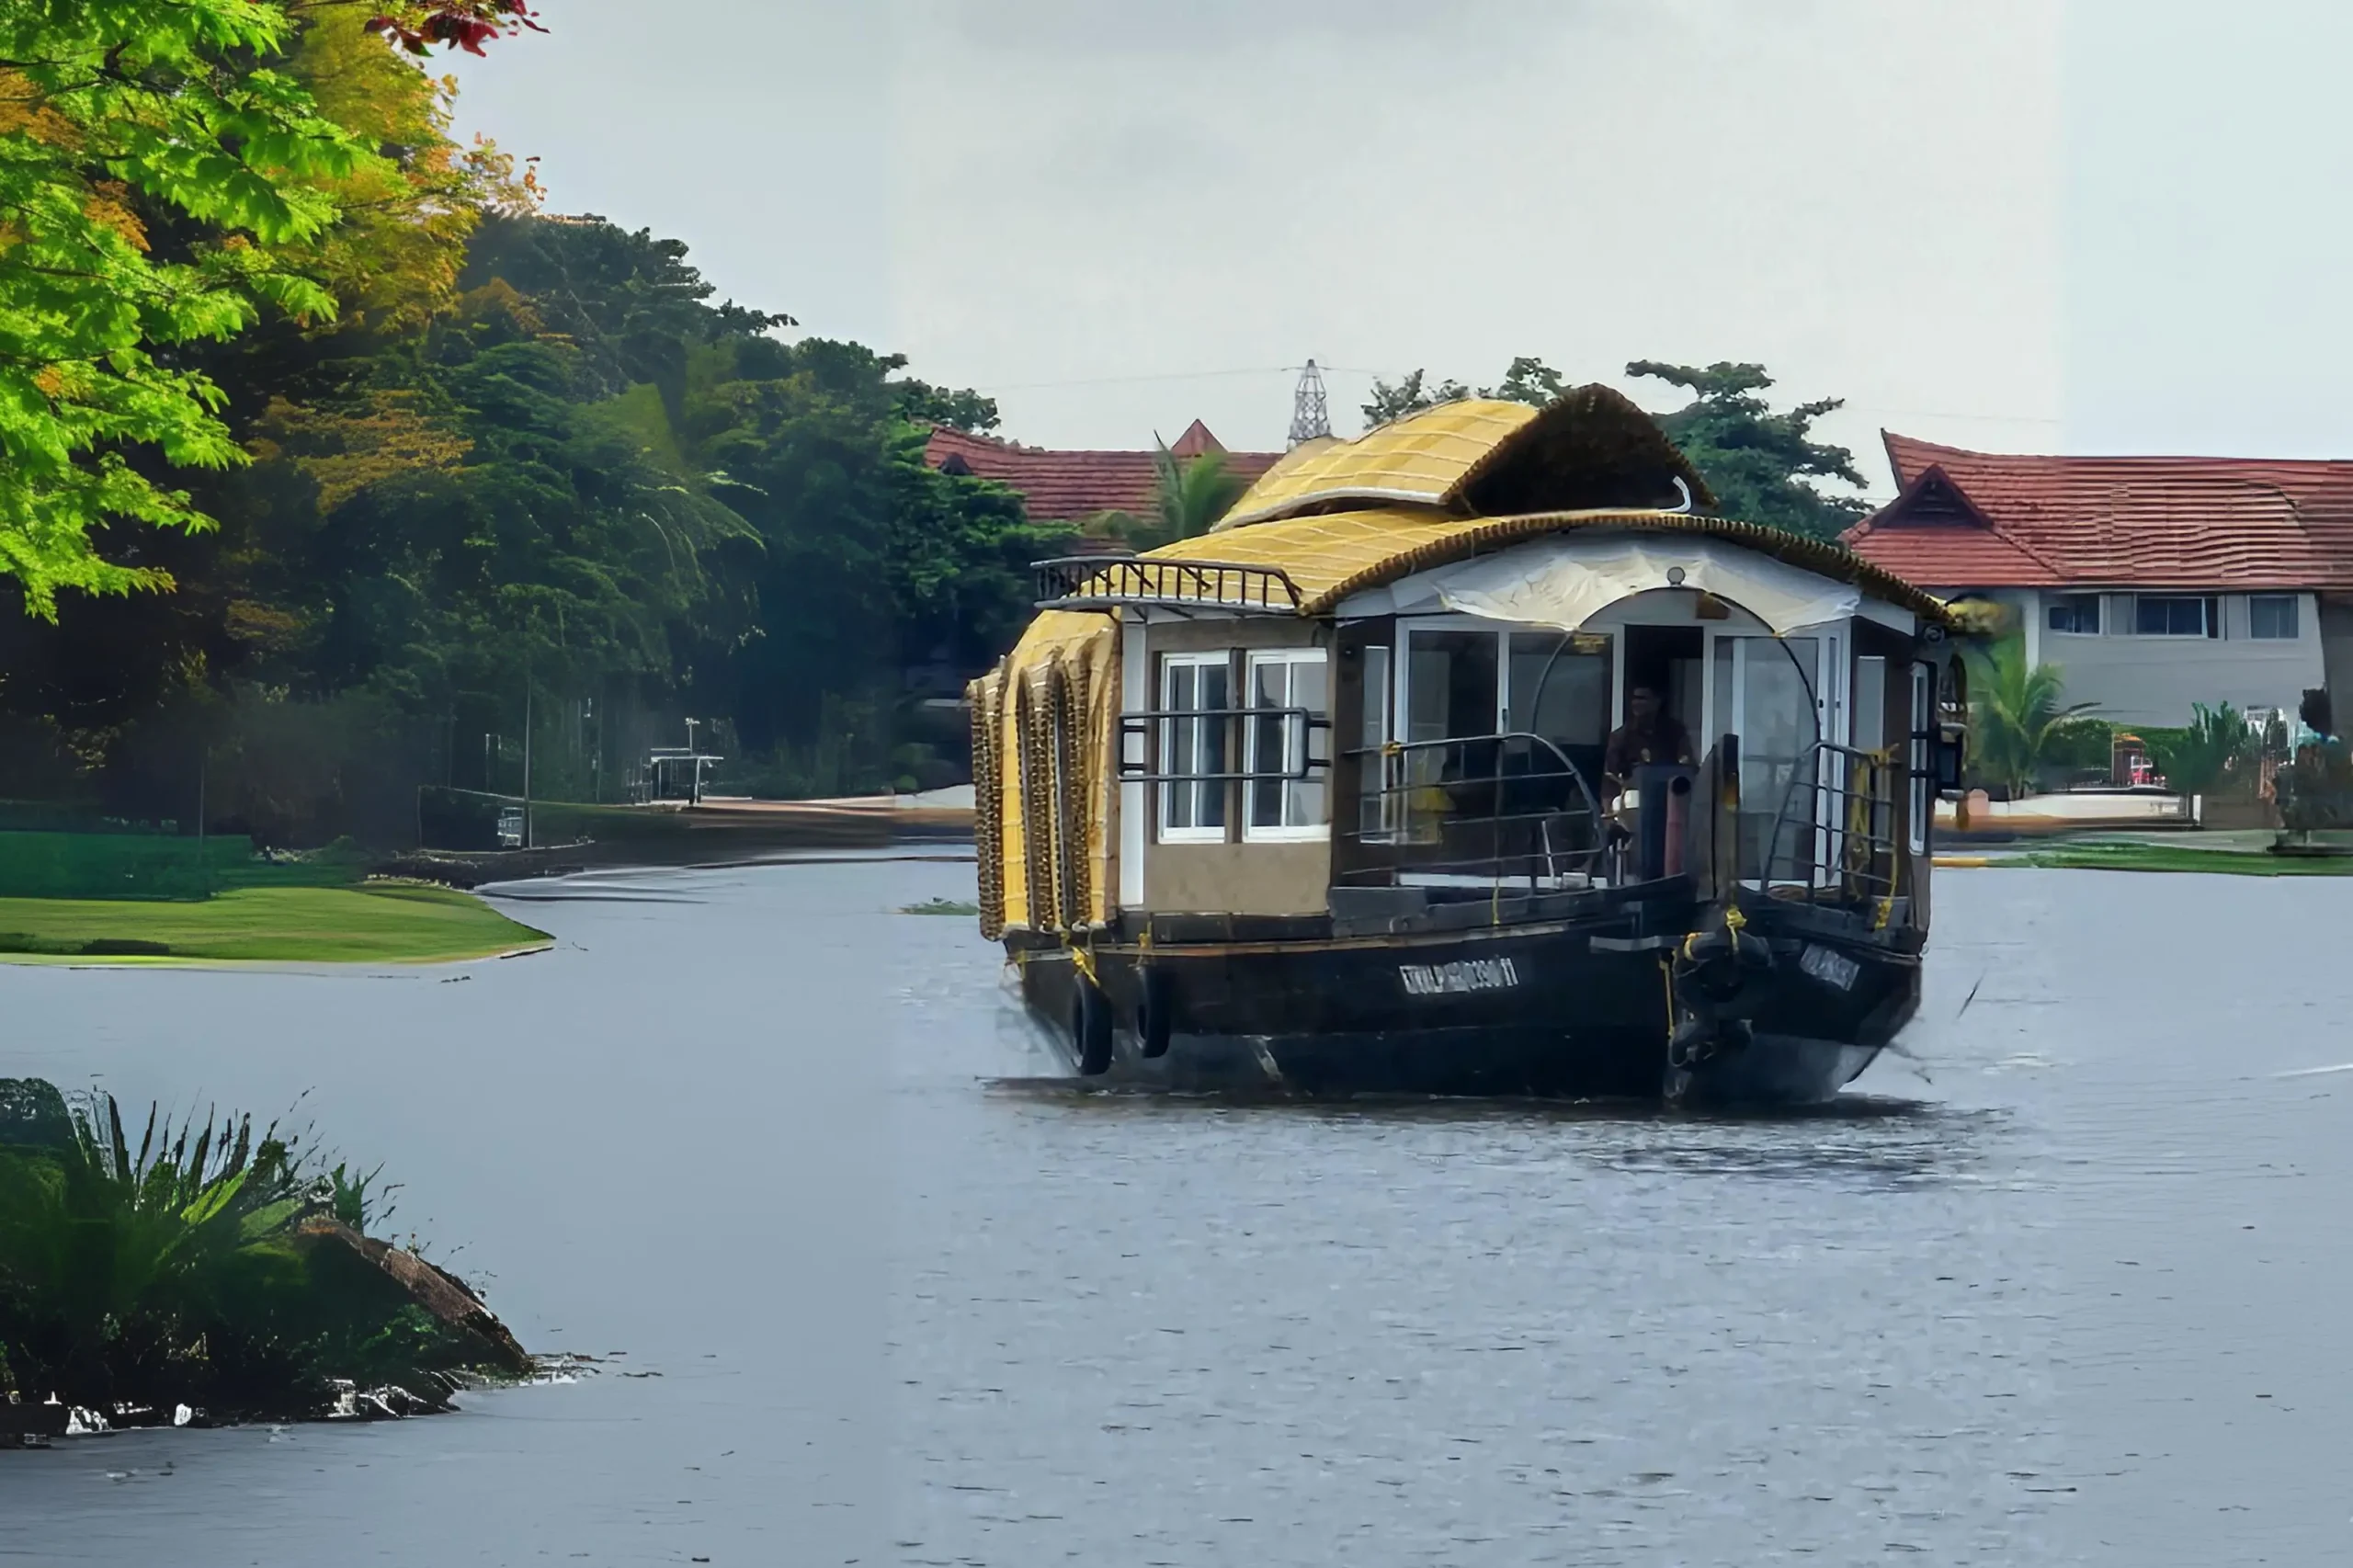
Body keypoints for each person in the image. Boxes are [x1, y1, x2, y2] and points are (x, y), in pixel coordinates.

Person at [1601, 683, 1693, 801]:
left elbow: (1688, 766)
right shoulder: (1620, 737)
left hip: (1670, 800)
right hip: (1634, 804)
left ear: (1657, 702)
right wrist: (1609, 812)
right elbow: (1610, 778)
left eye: (1642, 698)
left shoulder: (1675, 732)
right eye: (1634, 698)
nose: (1636, 703)